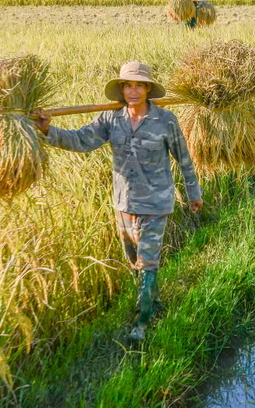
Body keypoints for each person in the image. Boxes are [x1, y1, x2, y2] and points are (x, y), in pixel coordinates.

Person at [34, 62, 203, 341]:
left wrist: (193, 193)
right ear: (121, 89)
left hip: (156, 202)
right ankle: (154, 302)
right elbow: (80, 141)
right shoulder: (111, 120)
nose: (133, 90)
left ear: (148, 89)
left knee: (147, 262)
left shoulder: (165, 120)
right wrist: (46, 131)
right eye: (127, 85)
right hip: (124, 202)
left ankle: (142, 323)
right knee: (134, 260)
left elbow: (183, 158)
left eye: (138, 85)